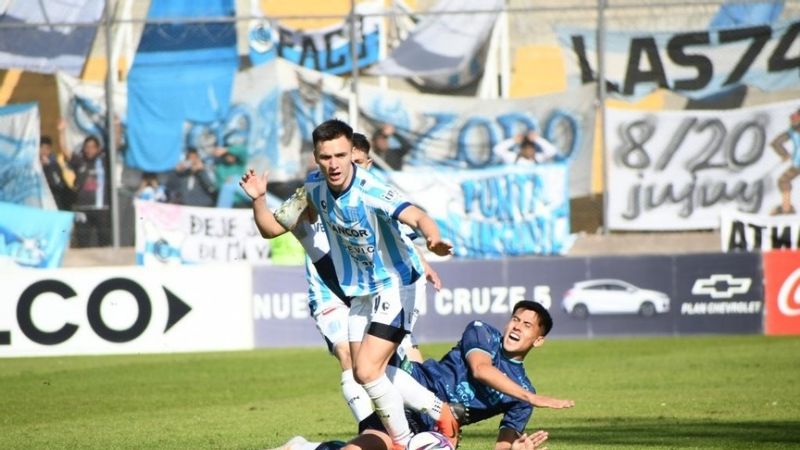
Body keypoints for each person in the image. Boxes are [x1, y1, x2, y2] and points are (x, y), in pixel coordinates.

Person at [240, 119, 456, 449]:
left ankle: (402, 442)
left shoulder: (371, 190)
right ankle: (440, 411)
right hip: (361, 292)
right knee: (362, 371)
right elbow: (271, 228)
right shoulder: (313, 192)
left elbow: (417, 215)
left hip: (396, 285)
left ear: (351, 154)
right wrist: (258, 199)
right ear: (316, 157)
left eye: (341, 155)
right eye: (326, 157)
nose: (334, 164)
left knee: (369, 371)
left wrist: (434, 238)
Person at [269, 301, 574, 450]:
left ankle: (308, 447)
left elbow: (501, 447)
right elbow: (482, 371)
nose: (517, 327)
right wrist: (531, 396)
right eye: (515, 319)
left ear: (538, 340)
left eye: (527, 325)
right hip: (412, 397)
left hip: (443, 432)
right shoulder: (483, 333)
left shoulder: (522, 397)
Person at [61, 131, 111, 247]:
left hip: (101, 209)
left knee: (105, 241)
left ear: (98, 149)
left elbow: (116, 145)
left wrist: (116, 125)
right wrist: (61, 132)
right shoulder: (79, 161)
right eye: (87, 147)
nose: (90, 150)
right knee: (83, 242)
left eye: (93, 147)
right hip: (82, 209)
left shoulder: (104, 161)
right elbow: (65, 152)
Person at [769, 109, 800, 215]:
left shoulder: (793, 131)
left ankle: (786, 209)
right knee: (783, 180)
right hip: (797, 163)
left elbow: (776, 143)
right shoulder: (793, 131)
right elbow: (776, 143)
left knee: (783, 180)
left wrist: (784, 155)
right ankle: (786, 209)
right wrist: (784, 154)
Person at [39, 135, 74, 210]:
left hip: (54, 202)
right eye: (41, 148)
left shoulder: (54, 164)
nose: (44, 151)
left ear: (50, 150)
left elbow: (57, 184)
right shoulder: (33, 164)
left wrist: (48, 167)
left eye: (47, 148)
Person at [493, 130, 559, 165]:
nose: (529, 152)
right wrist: (513, 140)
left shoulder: (538, 158)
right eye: (527, 150)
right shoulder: (512, 158)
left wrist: (537, 139)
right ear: (522, 150)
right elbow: (497, 150)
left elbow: (552, 151)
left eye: (531, 150)